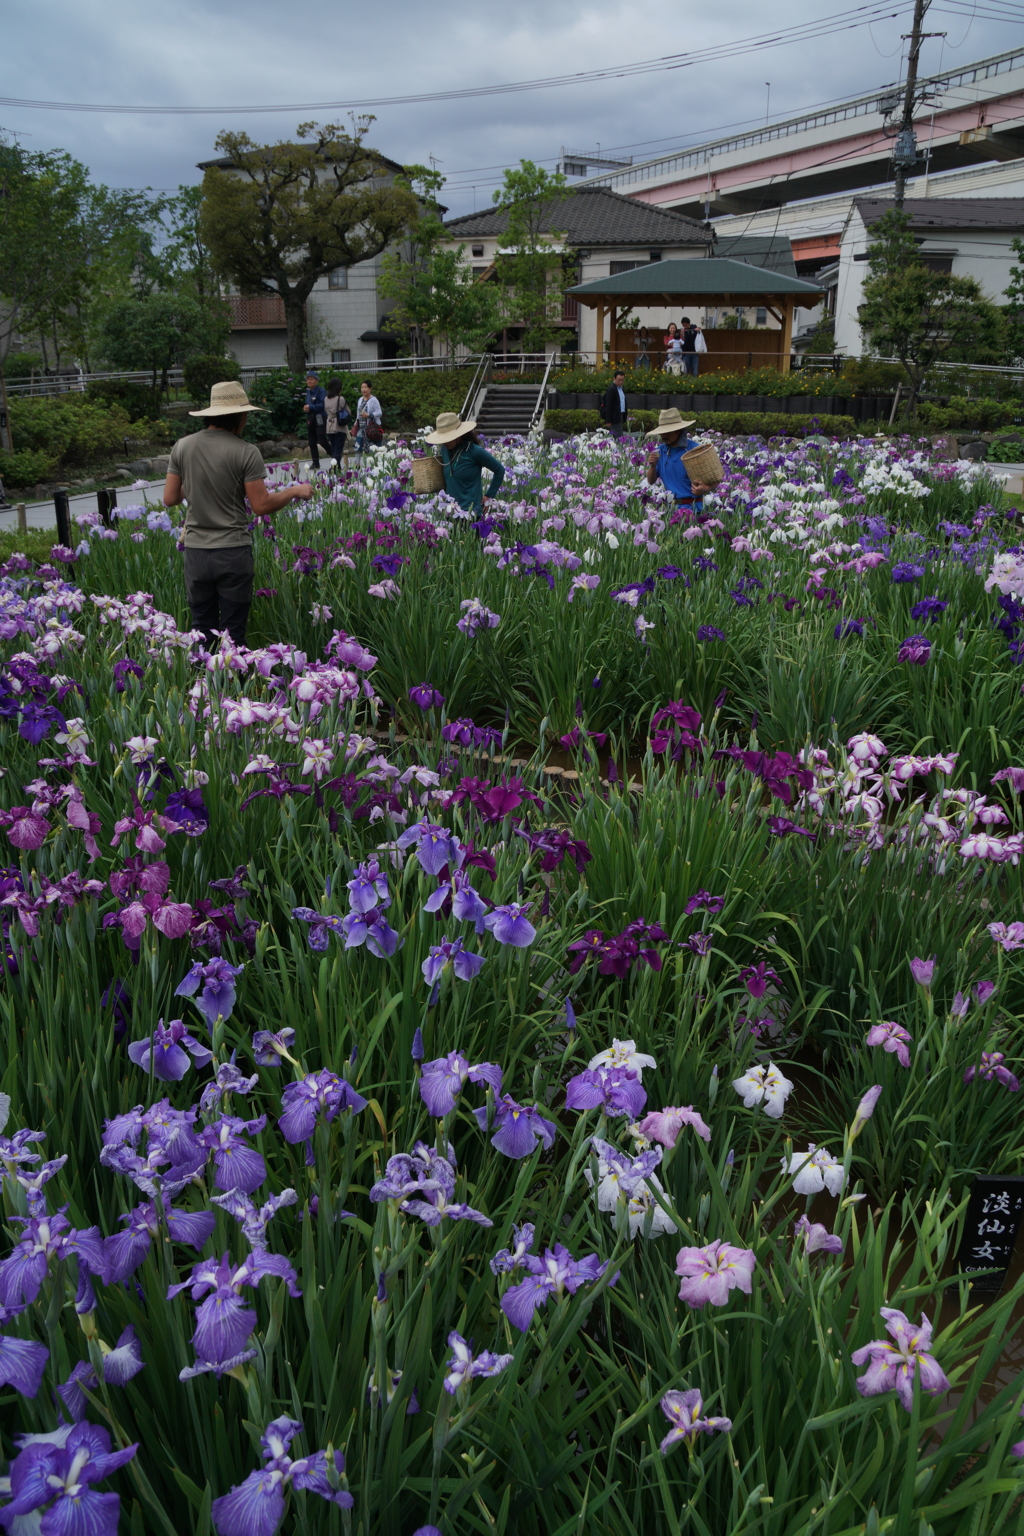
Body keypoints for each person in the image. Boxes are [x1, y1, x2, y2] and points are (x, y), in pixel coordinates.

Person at [163, 380, 314, 648]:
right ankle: (233, 689)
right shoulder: (246, 452)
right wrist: (294, 491)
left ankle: (204, 688)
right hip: (232, 553)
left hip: (197, 553)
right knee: (233, 637)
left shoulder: (182, 446)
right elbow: (261, 505)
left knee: (202, 633)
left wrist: (199, 488)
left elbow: (170, 498)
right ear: (239, 416)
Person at [424, 412, 505, 513]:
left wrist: (489, 496)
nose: (445, 442)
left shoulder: (474, 451)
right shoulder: (444, 450)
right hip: (450, 512)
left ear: (459, 435)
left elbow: (499, 470)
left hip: (471, 513)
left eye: (448, 437)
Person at [644, 408, 713, 512]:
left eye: (667, 432)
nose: (663, 436)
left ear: (678, 431)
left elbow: (716, 478)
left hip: (693, 510)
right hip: (669, 510)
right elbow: (651, 481)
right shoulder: (661, 450)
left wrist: (706, 488)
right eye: (662, 432)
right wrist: (653, 466)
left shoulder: (695, 450)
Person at [303, 372, 329, 469]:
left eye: (311, 379)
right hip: (311, 418)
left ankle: (335, 457)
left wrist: (311, 407)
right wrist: (306, 408)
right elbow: (308, 404)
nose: (309, 381)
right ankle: (315, 462)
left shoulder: (321, 391)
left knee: (322, 440)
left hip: (320, 418)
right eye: (308, 379)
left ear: (316, 380)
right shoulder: (309, 392)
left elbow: (323, 405)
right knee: (312, 441)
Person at [324, 378, 350, 465]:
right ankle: (334, 468)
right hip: (339, 426)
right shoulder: (340, 399)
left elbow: (326, 411)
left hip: (329, 426)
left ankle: (337, 468)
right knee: (338, 449)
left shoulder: (326, 399)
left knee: (334, 447)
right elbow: (348, 412)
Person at [353, 380, 383, 456]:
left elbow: (379, 413)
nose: (363, 389)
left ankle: (373, 465)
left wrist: (369, 415)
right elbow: (358, 415)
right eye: (362, 387)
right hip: (361, 428)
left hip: (371, 428)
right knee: (358, 448)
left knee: (373, 449)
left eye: (365, 387)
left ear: (370, 389)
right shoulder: (360, 400)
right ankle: (357, 466)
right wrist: (355, 425)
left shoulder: (374, 400)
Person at [599, 370, 628, 437]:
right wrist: (608, 420)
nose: (620, 382)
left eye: (622, 380)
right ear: (614, 379)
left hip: (620, 415)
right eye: (619, 380)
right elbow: (608, 405)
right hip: (614, 417)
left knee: (617, 435)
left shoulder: (621, 389)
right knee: (619, 435)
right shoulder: (611, 389)